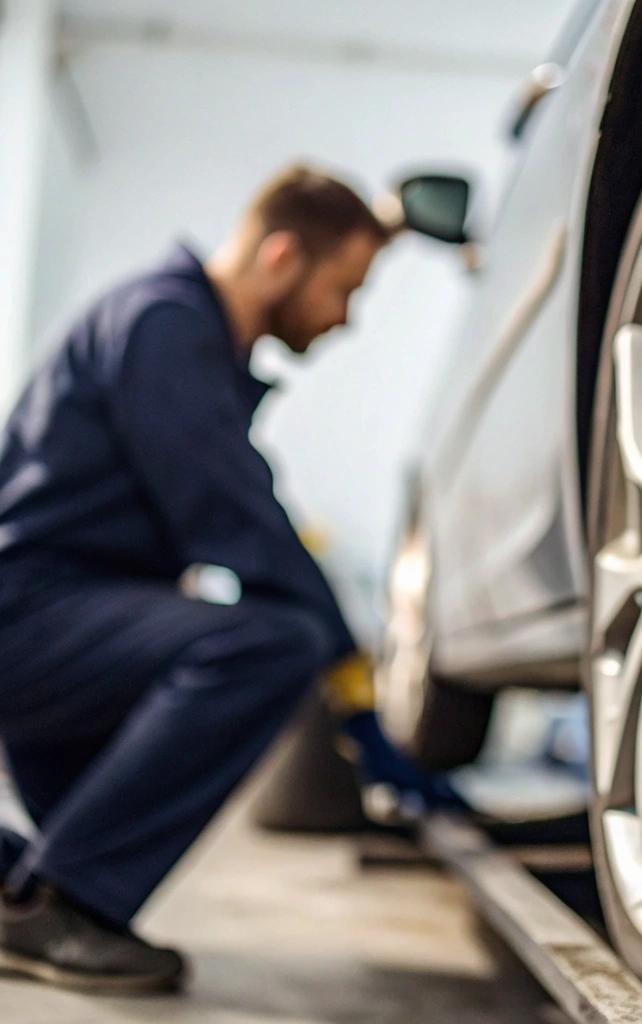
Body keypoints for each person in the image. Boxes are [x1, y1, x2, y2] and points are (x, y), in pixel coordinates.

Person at [0, 165, 391, 993]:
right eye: (344, 289)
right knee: (273, 641)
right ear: (282, 256)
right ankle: (58, 913)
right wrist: (346, 658)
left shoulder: (172, 330)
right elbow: (231, 510)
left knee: (50, 848)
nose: (347, 320)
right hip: (30, 613)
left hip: (59, 616)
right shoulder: (164, 324)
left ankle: (31, 891)